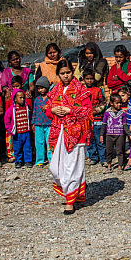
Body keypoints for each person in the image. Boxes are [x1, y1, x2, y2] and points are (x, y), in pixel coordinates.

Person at [46, 59, 92, 214]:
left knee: (72, 167)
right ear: (58, 74)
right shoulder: (55, 90)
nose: (65, 75)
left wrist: (70, 110)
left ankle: (70, 201)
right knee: (55, 167)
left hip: (75, 133)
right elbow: (48, 110)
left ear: (73, 72)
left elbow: (88, 111)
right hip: (57, 132)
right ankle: (72, 191)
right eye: (62, 73)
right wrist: (53, 111)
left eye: (68, 72)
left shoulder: (81, 89)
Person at [5, 88, 34, 168]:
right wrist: (10, 129)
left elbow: (29, 117)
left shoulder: (26, 108)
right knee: (17, 148)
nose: (22, 99)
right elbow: (7, 119)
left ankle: (28, 160)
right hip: (17, 133)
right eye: (20, 98)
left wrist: (31, 126)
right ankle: (18, 161)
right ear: (15, 99)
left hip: (26, 132)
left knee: (27, 147)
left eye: (23, 98)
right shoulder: (12, 109)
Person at [82, 73, 106, 165]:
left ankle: (103, 159)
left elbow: (103, 103)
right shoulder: (81, 90)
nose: (89, 81)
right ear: (84, 79)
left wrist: (94, 111)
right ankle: (93, 157)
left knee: (100, 140)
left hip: (97, 120)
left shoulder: (98, 90)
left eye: (91, 78)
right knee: (90, 140)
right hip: (86, 121)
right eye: (87, 78)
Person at [103, 94, 128, 170]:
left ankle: (120, 166)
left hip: (120, 135)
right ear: (111, 103)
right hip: (109, 135)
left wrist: (129, 134)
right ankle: (109, 165)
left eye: (120, 103)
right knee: (109, 151)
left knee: (120, 151)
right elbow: (104, 124)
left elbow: (124, 125)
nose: (119, 104)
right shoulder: (107, 113)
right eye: (117, 103)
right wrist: (101, 135)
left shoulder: (122, 113)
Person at [32, 77, 53, 167]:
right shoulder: (37, 99)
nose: (40, 90)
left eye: (42, 88)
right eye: (38, 88)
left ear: (47, 87)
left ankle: (52, 160)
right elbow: (34, 112)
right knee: (39, 143)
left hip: (49, 124)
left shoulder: (51, 99)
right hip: (38, 124)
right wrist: (33, 123)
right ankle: (39, 160)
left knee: (50, 142)